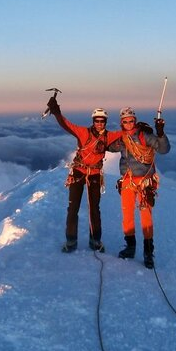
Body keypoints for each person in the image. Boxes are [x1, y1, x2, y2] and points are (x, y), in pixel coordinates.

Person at [47, 95, 122, 253]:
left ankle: (95, 241)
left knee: (94, 208)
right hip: (78, 172)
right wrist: (56, 111)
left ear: (105, 122)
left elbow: (126, 133)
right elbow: (66, 125)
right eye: (97, 120)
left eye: (102, 121)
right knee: (73, 207)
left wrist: (143, 129)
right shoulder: (83, 133)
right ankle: (71, 241)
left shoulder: (109, 136)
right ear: (93, 121)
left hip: (94, 174)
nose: (99, 123)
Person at [107, 107, 170, 269]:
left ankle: (148, 252)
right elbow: (109, 146)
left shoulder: (144, 136)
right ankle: (130, 247)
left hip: (144, 182)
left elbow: (163, 149)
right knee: (127, 214)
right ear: (122, 123)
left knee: (146, 216)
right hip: (127, 180)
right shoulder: (122, 139)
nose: (128, 123)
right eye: (125, 121)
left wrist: (161, 133)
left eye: (131, 120)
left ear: (134, 121)